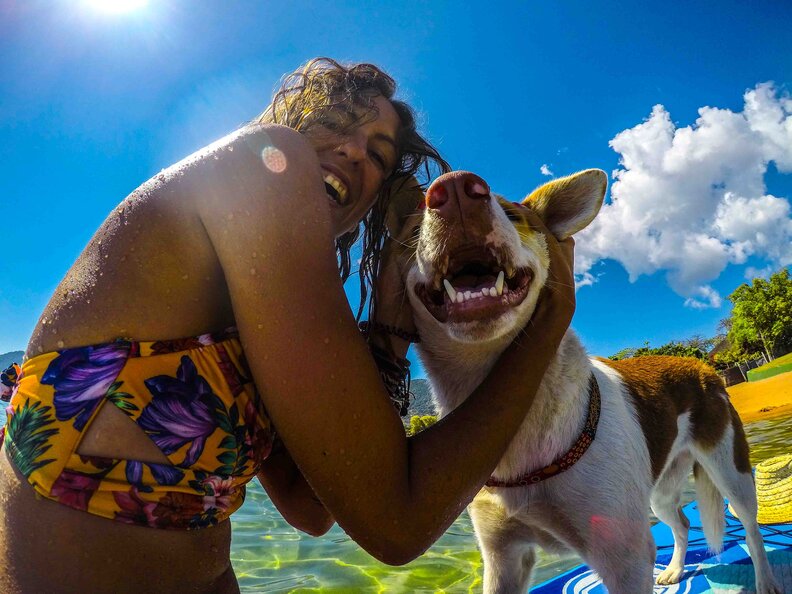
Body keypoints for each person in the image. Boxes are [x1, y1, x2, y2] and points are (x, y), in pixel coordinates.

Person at [0, 58, 576, 593]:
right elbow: (397, 524)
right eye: (337, 123)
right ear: (293, 124)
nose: (355, 151)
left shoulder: (265, 306)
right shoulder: (265, 162)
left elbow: (311, 508)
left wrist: (387, 332)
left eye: (378, 155)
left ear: (372, 202)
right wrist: (547, 328)